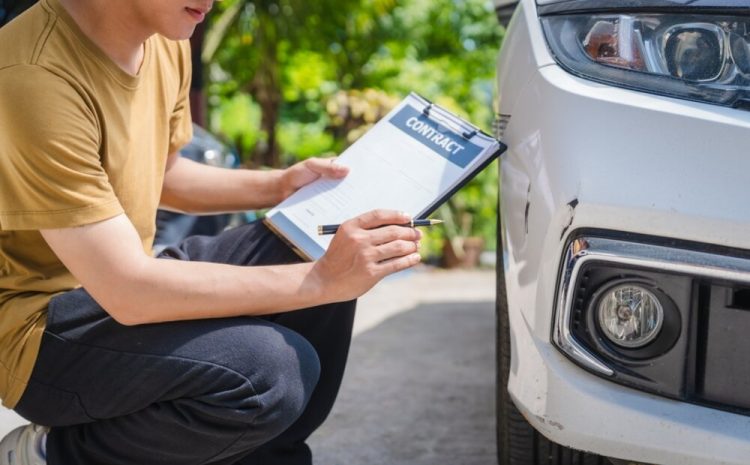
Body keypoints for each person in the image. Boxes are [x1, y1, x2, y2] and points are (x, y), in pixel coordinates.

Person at [0, 0, 423, 464]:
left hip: (117, 287)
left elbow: (166, 174)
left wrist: (279, 185)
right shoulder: (33, 74)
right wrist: (324, 280)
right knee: (264, 371)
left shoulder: (162, 36)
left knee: (309, 241)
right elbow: (128, 290)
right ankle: (52, 453)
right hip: (38, 334)